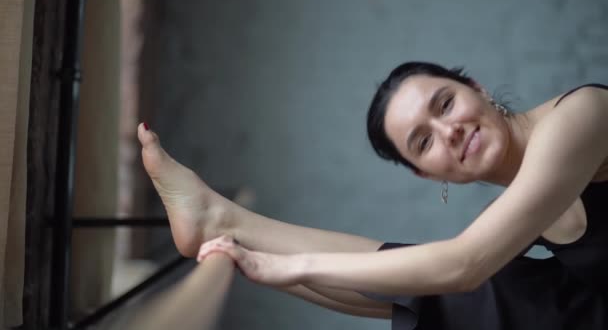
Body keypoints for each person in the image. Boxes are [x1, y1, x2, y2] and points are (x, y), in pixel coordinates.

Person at [137, 62, 608, 329]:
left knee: (470, 282)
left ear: (477, 88)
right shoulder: (520, 203)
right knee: (478, 294)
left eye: (445, 103)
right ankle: (224, 220)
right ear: (426, 174)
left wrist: (294, 266)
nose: (450, 131)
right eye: (423, 142)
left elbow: (463, 265)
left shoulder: (583, 116)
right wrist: (262, 261)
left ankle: (226, 220)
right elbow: (436, 284)